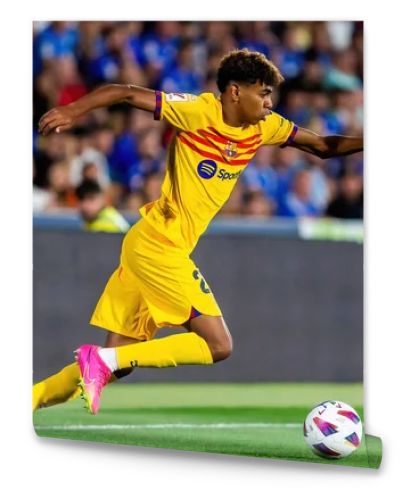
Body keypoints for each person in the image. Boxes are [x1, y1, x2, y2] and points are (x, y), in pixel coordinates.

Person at [34, 49, 363, 414]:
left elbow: (323, 146)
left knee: (118, 363)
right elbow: (125, 91)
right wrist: (71, 111)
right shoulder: (197, 111)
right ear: (235, 92)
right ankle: (102, 360)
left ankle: (29, 401)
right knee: (218, 345)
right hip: (160, 244)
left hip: (150, 243)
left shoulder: (265, 127)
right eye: (264, 92)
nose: (270, 102)